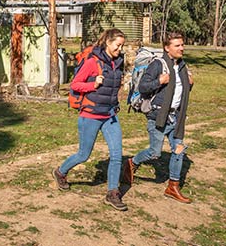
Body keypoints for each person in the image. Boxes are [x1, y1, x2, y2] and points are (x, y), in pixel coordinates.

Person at [51, 28, 128, 211]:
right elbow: (75, 84)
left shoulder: (118, 62)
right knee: (84, 154)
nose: (120, 49)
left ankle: (112, 193)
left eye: (122, 46)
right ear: (108, 43)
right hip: (90, 115)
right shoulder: (93, 62)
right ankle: (60, 172)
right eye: (118, 45)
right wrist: (93, 84)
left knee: (117, 155)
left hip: (109, 115)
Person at [122, 31, 194, 203]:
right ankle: (132, 163)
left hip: (176, 117)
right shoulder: (157, 64)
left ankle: (172, 186)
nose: (181, 48)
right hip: (157, 116)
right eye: (177, 46)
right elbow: (143, 87)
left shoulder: (182, 66)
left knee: (179, 149)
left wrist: (190, 84)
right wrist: (159, 81)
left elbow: (179, 92)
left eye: (182, 45)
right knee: (155, 153)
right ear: (167, 48)